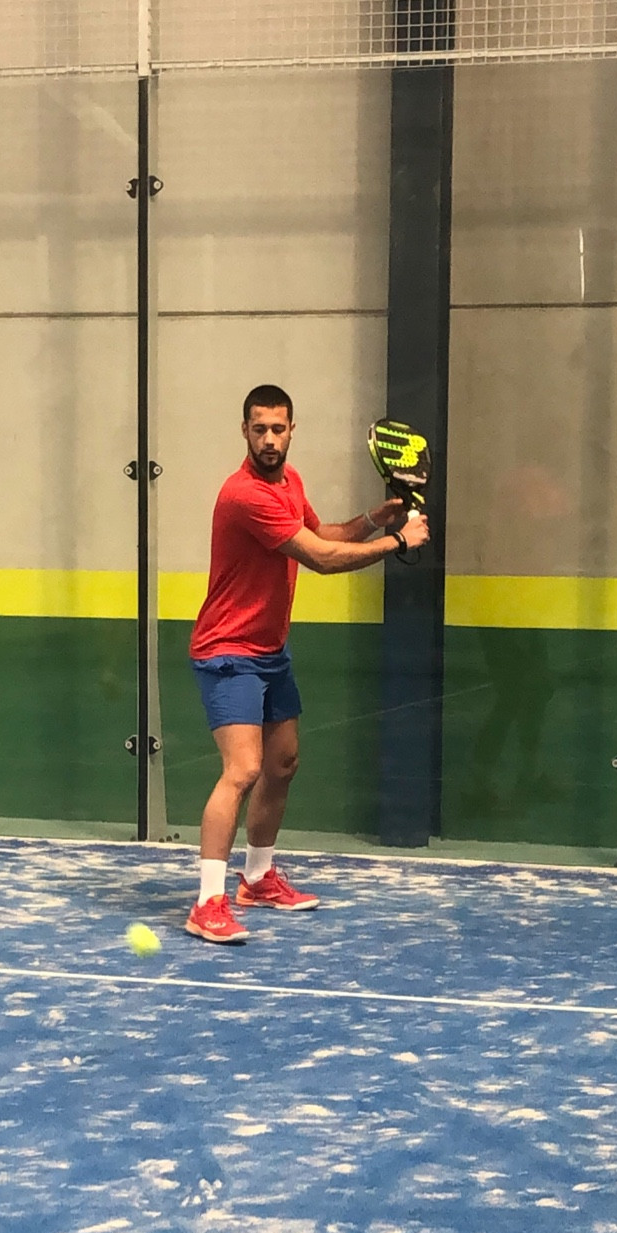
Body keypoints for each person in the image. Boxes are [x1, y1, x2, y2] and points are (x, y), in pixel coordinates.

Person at [185, 383, 431, 944]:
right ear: (244, 432)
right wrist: (397, 542)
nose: (269, 439)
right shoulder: (244, 495)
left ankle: (257, 878)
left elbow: (323, 534)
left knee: (283, 762)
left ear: (292, 430)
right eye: (259, 429)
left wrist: (373, 519)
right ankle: (207, 902)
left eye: (278, 428)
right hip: (228, 651)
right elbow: (321, 559)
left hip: (271, 650)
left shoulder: (290, 483)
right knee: (242, 769)